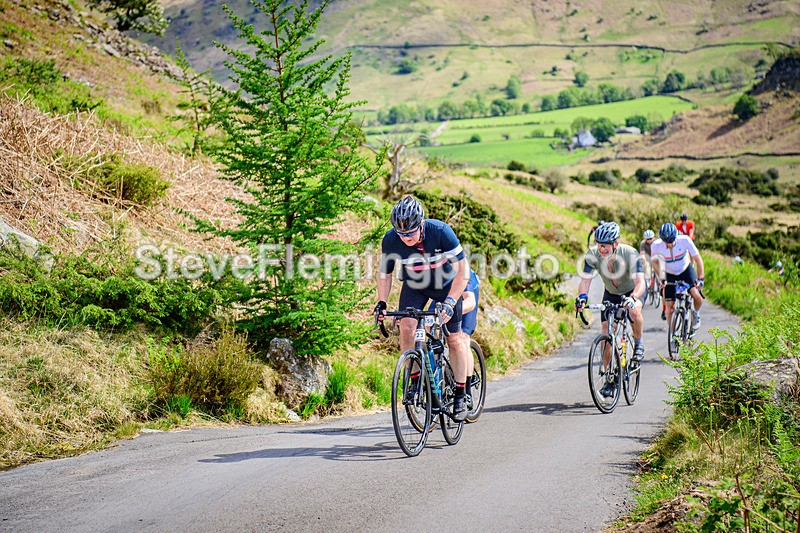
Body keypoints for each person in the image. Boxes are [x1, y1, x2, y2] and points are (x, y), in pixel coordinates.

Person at [374, 196, 471, 421]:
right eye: (401, 234)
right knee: (407, 327)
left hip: (445, 287)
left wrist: (450, 302)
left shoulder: (441, 231)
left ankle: (460, 394)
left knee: (454, 338)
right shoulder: (391, 240)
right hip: (415, 286)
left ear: (422, 224)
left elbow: (463, 272)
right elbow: (385, 274)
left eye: (410, 233)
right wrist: (382, 302)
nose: (406, 238)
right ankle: (415, 381)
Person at [575, 222, 647, 397]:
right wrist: (582, 297)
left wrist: (633, 298)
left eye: (605, 245)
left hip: (633, 292)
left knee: (634, 311)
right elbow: (585, 281)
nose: (601, 249)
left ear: (615, 244)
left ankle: (638, 344)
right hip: (611, 294)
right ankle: (609, 379)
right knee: (607, 331)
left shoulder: (630, 253)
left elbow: (640, 283)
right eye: (599, 244)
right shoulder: (593, 254)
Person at [650, 222, 705, 335]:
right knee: (670, 307)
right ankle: (672, 334)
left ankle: (696, 314)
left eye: (671, 241)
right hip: (669, 273)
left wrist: (700, 279)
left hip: (685, 270)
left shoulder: (685, 240)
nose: (669, 244)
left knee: (697, 297)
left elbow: (698, 259)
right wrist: (661, 277)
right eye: (666, 242)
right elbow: (654, 262)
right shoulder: (656, 245)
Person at [639, 229, 657, 306]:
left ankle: (658, 283)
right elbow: (642, 254)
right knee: (646, 267)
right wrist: (643, 262)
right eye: (647, 239)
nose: (649, 241)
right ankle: (648, 281)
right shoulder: (643, 243)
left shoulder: (657, 242)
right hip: (648, 258)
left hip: (656, 258)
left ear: (653, 237)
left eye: (650, 239)